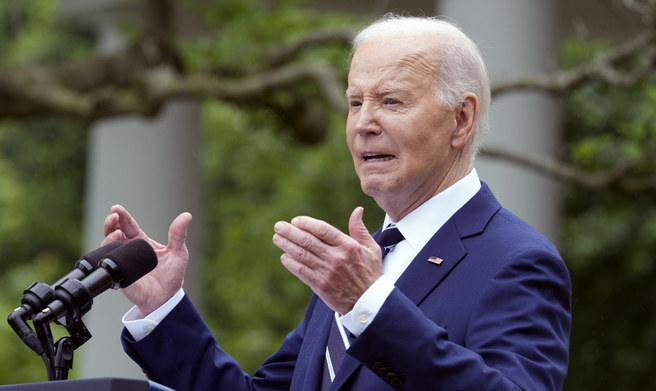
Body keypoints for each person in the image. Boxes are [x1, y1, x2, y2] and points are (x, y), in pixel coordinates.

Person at [102, 14, 571, 391]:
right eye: (354, 102)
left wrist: (371, 307)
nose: (364, 122)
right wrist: (164, 309)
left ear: (461, 119)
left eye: (391, 101)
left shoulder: (517, 261)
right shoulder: (354, 268)